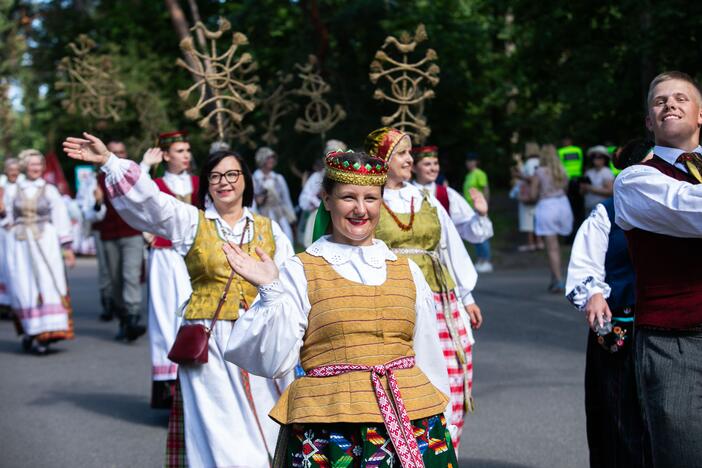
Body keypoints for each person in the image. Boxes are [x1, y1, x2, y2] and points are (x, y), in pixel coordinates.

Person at [63, 132, 295, 468]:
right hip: (210, 342)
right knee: (219, 429)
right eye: (215, 176)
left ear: (246, 180)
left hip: (260, 342)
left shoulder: (270, 230)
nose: (224, 182)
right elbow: (150, 204)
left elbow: (291, 286)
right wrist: (110, 163)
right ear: (206, 184)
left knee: (268, 425)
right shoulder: (191, 222)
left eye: (232, 174)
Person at [223, 149, 458, 467]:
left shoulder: (408, 271)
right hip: (331, 431)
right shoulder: (299, 269)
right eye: (348, 197)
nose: (361, 209)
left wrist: (445, 420)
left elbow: (428, 355)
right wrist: (270, 291)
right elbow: (272, 361)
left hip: (412, 423)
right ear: (327, 199)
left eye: (371, 198)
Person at [367, 127, 482, 448]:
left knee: (453, 377)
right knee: (410, 381)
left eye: (409, 153)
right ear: (382, 158)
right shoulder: (370, 201)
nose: (409, 159)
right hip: (396, 304)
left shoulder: (425, 197)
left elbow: (449, 246)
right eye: (402, 153)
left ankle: (445, 449)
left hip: (442, 300)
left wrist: (466, 296)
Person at [613, 71, 702, 467]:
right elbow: (692, 210)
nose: (670, 104)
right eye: (660, 101)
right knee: (682, 455)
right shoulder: (636, 180)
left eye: (681, 98)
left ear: (700, 115)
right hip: (675, 342)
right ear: (649, 122)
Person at [565, 138, 654, 468]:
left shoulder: (684, 208)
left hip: (674, 331)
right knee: (619, 419)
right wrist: (595, 293)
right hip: (623, 328)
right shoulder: (608, 212)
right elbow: (584, 266)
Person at [139, 131, 200, 409]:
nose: (186, 155)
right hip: (165, 257)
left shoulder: (199, 182)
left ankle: (196, 383)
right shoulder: (156, 183)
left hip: (195, 254)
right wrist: (144, 166)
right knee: (166, 318)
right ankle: (169, 388)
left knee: (195, 314)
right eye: (179, 150)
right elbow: (136, 199)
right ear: (165, 155)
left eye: (187, 149)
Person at [2, 149, 75, 355]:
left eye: (39, 165)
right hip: (20, 244)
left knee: (48, 283)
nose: (36, 168)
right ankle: (30, 331)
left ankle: (45, 334)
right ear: (25, 166)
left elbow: (60, 218)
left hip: (46, 243)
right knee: (24, 286)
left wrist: (67, 249)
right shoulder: (12, 190)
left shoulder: (49, 190)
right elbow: (5, 217)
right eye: (32, 164)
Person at [84, 140, 146, 341]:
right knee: (116, 279)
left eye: (121, 152)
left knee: (130, 275)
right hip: (109, 235)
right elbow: (90, 214)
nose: (118, 155)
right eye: (114, 152)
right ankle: (123, 318)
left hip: (132, 233)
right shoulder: (96, 180)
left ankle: (133, 317)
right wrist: (98, 201)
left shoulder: (134, 175)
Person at [411, 144, 494, 245]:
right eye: (427, 164)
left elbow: (468, 230)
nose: (434, 168)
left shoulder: (448, 195)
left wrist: (481, 214)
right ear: (414, 168)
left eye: (436, 163)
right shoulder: (404, 194)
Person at [528, 144, 573, 293]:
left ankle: (558, 280)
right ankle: (557, 277)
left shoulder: (539, 172)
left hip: (547, 206)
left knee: (552, 248)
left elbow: (533, 195)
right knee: (559, 245)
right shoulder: (561, 170)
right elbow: (566, 188)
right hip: (563, 205)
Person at [298, 139, 347, 247]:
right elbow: (304, 197)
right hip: (320, 214)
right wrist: (317, 201)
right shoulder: (318, 176)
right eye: (330, 156)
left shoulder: (347, 177)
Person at [252, 146, 296, 242]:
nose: (271, 160)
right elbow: (252, 201)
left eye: (272, 158)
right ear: (262, 160)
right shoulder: (255, 179)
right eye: (268, 158)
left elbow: (285, 198)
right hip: (263, 213)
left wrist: (290, 214)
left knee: (286, 236)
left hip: (279, 212)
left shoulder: (278, 178)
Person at [462, 151, 493, 272]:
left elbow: (485, 189)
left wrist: (485, 205)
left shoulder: (479, 174)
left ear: (476, 162)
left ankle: (486, 260)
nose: (469, 163)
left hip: (478, 208)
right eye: (468, 161)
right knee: (475, 233)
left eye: (471, 160)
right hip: (469, 208)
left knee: (483, 234)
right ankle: (480, 259)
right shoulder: (468, 175)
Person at [0, 157, 22, 317]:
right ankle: (4, 303)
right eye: (11, 170)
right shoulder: (1, 184)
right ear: (6, 171)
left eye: (16, 170)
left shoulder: (24, 184)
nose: (14, 173)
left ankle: (18, 303)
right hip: (2, 232)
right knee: (3, 267)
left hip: (20, 231)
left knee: (18, 267)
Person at [511, 143, 543, 252]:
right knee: (537, 218)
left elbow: (531, 179)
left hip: (528, 194)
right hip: (539, 194)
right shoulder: (541, 162)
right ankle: (539, 242)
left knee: (528, 220)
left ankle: (531, 243)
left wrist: (518, 175)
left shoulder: (529, 163)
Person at [582, 145, 615, 213]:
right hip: (588, 209)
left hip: (601, 211)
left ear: (604, 159)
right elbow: (582, 192)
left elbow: (610, 192)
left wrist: (589, 188)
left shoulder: (606, 172)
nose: (596, 159)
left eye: (599, 157)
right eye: (594, 156)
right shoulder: (589, 172)